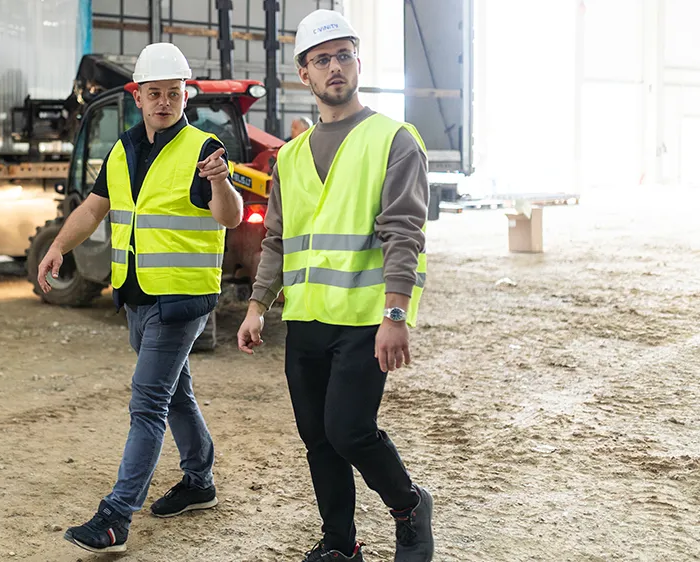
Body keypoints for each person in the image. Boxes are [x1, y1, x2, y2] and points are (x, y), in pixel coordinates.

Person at [236, 9, 435, 562]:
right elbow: (276, 239)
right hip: (306, 320)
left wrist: (395, 317)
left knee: (348, 431)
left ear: (358, 62)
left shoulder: (393, 139)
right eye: (321, 59)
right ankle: (341, 545)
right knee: (318, 438)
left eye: (343, 55)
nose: (334, 67)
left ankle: (409, 507)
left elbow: (403, 234)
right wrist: (257, 306)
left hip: (366, 320)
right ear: (305, 74)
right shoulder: (291, 156)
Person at [36, 42, 243, 554]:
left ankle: (115, 518)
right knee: (175, 393)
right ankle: (199, 482)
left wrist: (222, 184)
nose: (165, 102)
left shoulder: (203, 149)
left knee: (147, 403)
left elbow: (229, 217)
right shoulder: (123, 148)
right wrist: (59, 246)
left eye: (174, 93)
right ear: (138, 95)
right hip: (136, 293)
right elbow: (94, 207)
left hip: (181, 297)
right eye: (155, 93)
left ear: (185, 95)